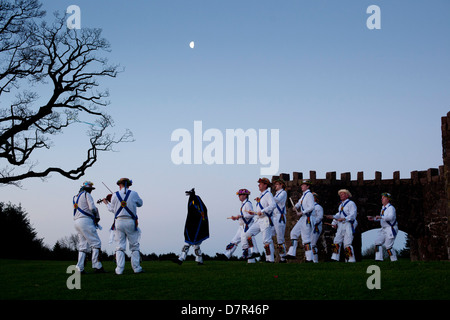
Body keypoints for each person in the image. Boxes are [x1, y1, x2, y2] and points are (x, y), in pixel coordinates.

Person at [104, 178, 144, 274]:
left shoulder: (114, 195)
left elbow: (112, 209)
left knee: (120, 246)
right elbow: (140, 204)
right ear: (129, 185)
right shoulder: (134, 193)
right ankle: (137, 268)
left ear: (119, 185)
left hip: (119, 222)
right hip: (130, 221)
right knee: (134, 246)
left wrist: (106, 203)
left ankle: (119, 270)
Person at [73, 181, 105, 273]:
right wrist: (95, 215)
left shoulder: (75, 197)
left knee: (82, 246)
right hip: (86, 221)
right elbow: (92, 208)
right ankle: (97, 266)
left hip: (76, 221)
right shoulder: (87, 195)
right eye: (91, 189)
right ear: (88, 189)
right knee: (96, 243)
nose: (91, 191)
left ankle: (79, 268)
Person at [220, 189, 258, 263]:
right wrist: (237, 218)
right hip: (241, 226)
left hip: (246, 226)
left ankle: (251, 260)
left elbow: (251, 214)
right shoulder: (243, 204)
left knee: (246, 242)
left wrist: (240, 216)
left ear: (245, 195)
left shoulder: (248, 204)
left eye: (240, 195)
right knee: (234, 241)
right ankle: (226, 255)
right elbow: (243, 216)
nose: (239, 197)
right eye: (239, 195)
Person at [245, 178, 276, 262]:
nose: (259, 185)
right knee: (248, 234)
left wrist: (262, 211)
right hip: (259, 220)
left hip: (266, 219)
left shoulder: (268, 194)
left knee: (266, 240)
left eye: (260, 183)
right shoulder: (261, 195)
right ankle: (255, 251)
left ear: (265, 185)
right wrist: (254, 213)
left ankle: (270, 259)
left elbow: (273, 205)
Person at [175, 188, 209, 265]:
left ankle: (183, 259)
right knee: (192, 244)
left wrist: (201, 219)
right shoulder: (192, 200)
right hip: (191, 224)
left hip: (197, 225)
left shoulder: (195, 200)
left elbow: (202, 211)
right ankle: (183, 258)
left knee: (193, 244)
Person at [325, 189, 358, 262]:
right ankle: (334, 258)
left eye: (342, 194)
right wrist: (332, 217)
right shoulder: (341, 206)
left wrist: (344, 219)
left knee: (347, 242)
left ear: (347, 195)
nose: (341, 195)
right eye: (340, 194)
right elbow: (338, 215)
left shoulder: (351, 203)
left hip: (348, 224)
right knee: (336, 240)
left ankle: (350, 260)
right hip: (341, 225)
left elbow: (353, 215)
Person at [286, 180, 314, 262]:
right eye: (301, 185)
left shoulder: (309, 195)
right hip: (303, 218)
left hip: (307, 218)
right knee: (294, 233)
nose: (302, 186)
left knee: (306, 238)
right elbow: (299, 203)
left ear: (308, 186)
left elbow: (311, 207)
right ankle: (291, 253)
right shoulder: (304, 195)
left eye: (303, 185)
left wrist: (302, 212)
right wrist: (296, 206)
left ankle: (309, 259)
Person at [367, 192, 398, 261]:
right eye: (382, 198)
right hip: (383, 229)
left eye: (383, 198)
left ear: (388, 199)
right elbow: (382, 219)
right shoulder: (383, 208)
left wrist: (380, 217)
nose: (382, 199)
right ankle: (378, 259)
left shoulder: (391, 208)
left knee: (388, 246)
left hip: (390, 229)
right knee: (377, 242)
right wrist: (374, 219)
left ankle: (394, 260)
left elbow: (390, 217)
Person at [272, 179, 287, 262]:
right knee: (269, 235)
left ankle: (283, 257)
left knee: (280, 238)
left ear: (281, 185)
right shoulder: (276, 194)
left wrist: (268, 197)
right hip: (274, 217)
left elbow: (277, 200)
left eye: (277, 184)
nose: (275, 186)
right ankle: (270, 256)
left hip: (280, 216)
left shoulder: (283, 193)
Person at [311, 192, 323, 263]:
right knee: (307, 243)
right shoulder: (309, 207)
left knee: (312, 243)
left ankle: (315, 260)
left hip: (316, 227)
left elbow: (320, 217)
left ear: (315, 199)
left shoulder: (318, 207)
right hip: (309, 227)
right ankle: (309, 258)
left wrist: (314, 222)